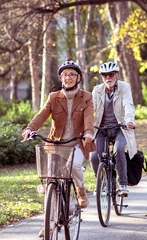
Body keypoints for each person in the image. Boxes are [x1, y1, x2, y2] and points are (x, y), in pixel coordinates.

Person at [22, 60, 96, 238]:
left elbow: (88, 119)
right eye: (65, 75)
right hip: (56, 145)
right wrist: (30, 129)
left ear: (78, 78)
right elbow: (41, 115)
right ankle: (48, 224)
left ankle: (80, 190)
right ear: (61, 78)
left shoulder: (86, 97)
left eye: (72, 75)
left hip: (77, 143)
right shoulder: (54, 97)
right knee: (51, 182)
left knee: (76, 166)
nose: (68, 78)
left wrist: (88, 133)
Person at [90, 61, 137, 196]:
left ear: (116, 75)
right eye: (105, 75)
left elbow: (128, 104)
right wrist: (86, 123)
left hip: (120, 128)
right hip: (101, 129)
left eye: (111, 74)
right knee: (94, 155)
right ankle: (103, 182)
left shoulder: (124, 87)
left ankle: (122, 184)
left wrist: (129, 121)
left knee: (118, 150)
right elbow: (90, 108)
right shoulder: (97, 90)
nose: (108, 78)